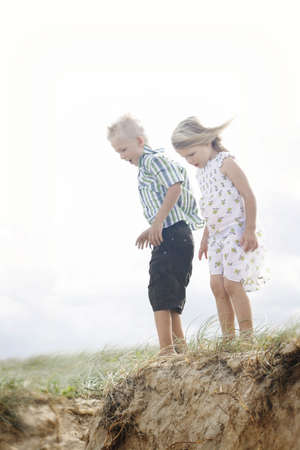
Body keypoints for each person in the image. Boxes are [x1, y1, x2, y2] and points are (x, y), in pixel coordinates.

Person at [107, 114, 204, 354]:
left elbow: (175, 186)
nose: (121, 156)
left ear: (139, 141)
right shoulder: (145, 166)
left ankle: (166, 350)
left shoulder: (152, 161)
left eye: (123, 149)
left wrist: (158, 223)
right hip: (173, 232)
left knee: (160, 289)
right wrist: (152, 226)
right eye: (117, 152)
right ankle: (180, 349)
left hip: (172, 233)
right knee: (170, 292)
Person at [171, 117, 270, 341]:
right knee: (216, 285)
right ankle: (228, 339)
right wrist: (205, 237)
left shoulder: (226, 163)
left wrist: (250, 230)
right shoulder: (201, 173)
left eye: (191, 154)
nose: (189, 161)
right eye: (184, 157)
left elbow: (248, 196)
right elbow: (211, 208)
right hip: (216, 236)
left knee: (232, 283)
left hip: (236, 231)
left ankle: (247, 338)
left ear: (206, 141)